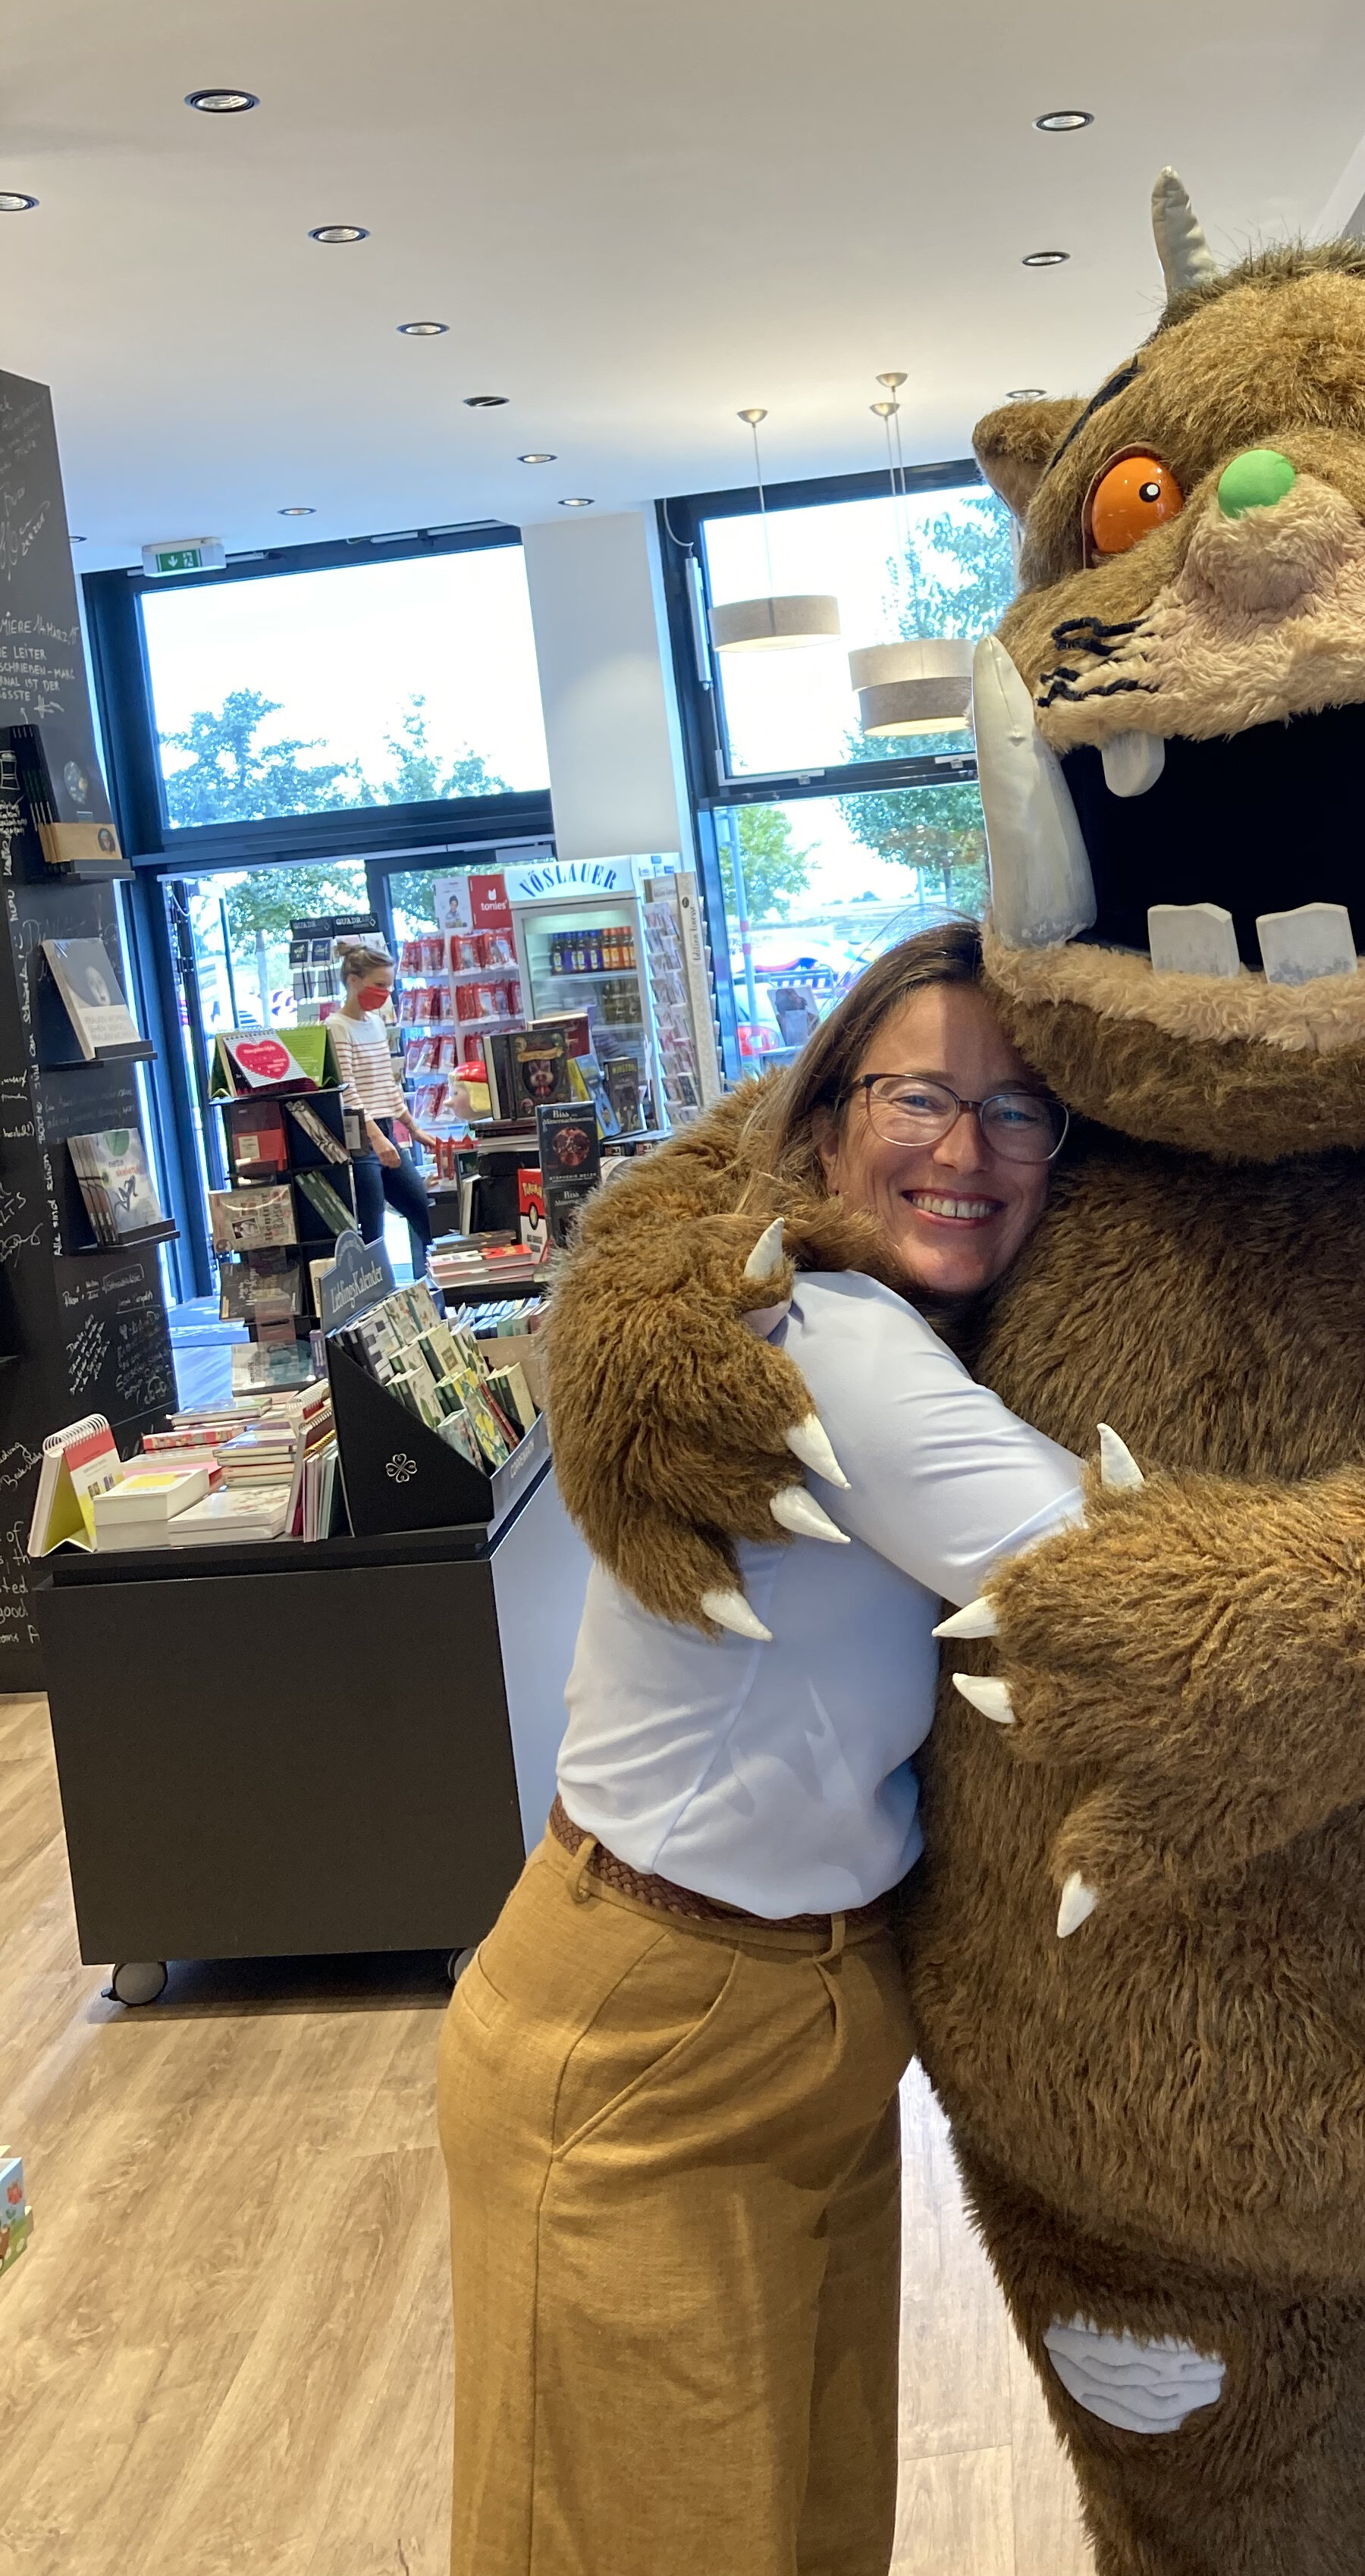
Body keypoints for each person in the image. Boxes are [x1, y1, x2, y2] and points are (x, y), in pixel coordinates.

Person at [436, 921, 1078, 2576]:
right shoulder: (833, 1344)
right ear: (824, 1121)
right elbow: (1103, 1573)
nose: (966, 1151)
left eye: (1021, 1113)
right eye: (921, 1098)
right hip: (655, 2012)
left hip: (807, 2001)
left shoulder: (881, 1321)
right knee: (630, 2537)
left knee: (801, 2524)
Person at [329, 941, 432, 1270]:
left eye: (389, 985)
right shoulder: (337, 1027)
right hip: (360, 1140)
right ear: (353, 981)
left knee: (423, 1207)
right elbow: (348, 1091)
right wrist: (376, 1138)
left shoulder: (374, 1023)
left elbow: (387, 1082)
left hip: (384, 1130)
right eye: (379, 985)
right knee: (372, 1232)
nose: (386, 992)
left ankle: (437, 1283)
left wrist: (412, 1128)